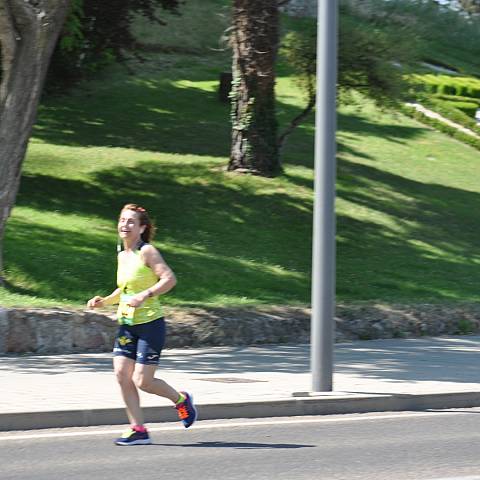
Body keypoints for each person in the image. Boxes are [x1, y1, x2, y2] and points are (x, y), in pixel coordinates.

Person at [87, 203, 197, 446]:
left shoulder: (147, 252)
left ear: (141, 228)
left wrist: (145, 295)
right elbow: (125, 289)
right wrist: (104, 301)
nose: (124, 225)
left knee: (143, 381)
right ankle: (138, 429)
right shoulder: (122, 255)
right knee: (120, 373)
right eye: (122, 220)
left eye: (131, 222)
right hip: (127, 324)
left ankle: (181, 400)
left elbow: (169, 279)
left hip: (150, 325)